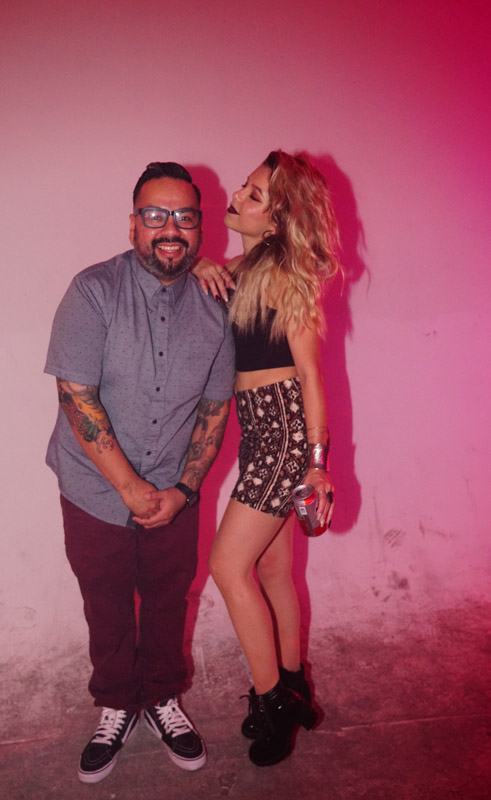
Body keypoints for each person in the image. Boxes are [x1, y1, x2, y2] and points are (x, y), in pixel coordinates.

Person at [44, 162, 235, 783]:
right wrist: (131, 489)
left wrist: (183, 491)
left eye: (184, 216)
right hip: (93, 489)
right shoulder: (93, 291)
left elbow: (214, 409)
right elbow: (76, 396)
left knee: (167, 598)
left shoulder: (218, 307)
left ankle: (160, 697)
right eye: (155, 215)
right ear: (133, 225)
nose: (169, 228)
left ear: (200, 227)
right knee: (105, 600)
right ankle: (115, 704)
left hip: (175, 490)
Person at [193, 150, 340, 767]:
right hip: (257, 431)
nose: (237, 197)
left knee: (228, 568)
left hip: (283, 433)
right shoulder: (242, 269)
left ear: (278, 220)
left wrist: (317, 462)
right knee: (274, 571)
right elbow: (207, 281)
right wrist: (201, 263)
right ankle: (296, 685)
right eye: (245, 187)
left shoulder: (287, 276)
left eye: (254, 196)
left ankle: (272, 702)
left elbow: (310, 376)